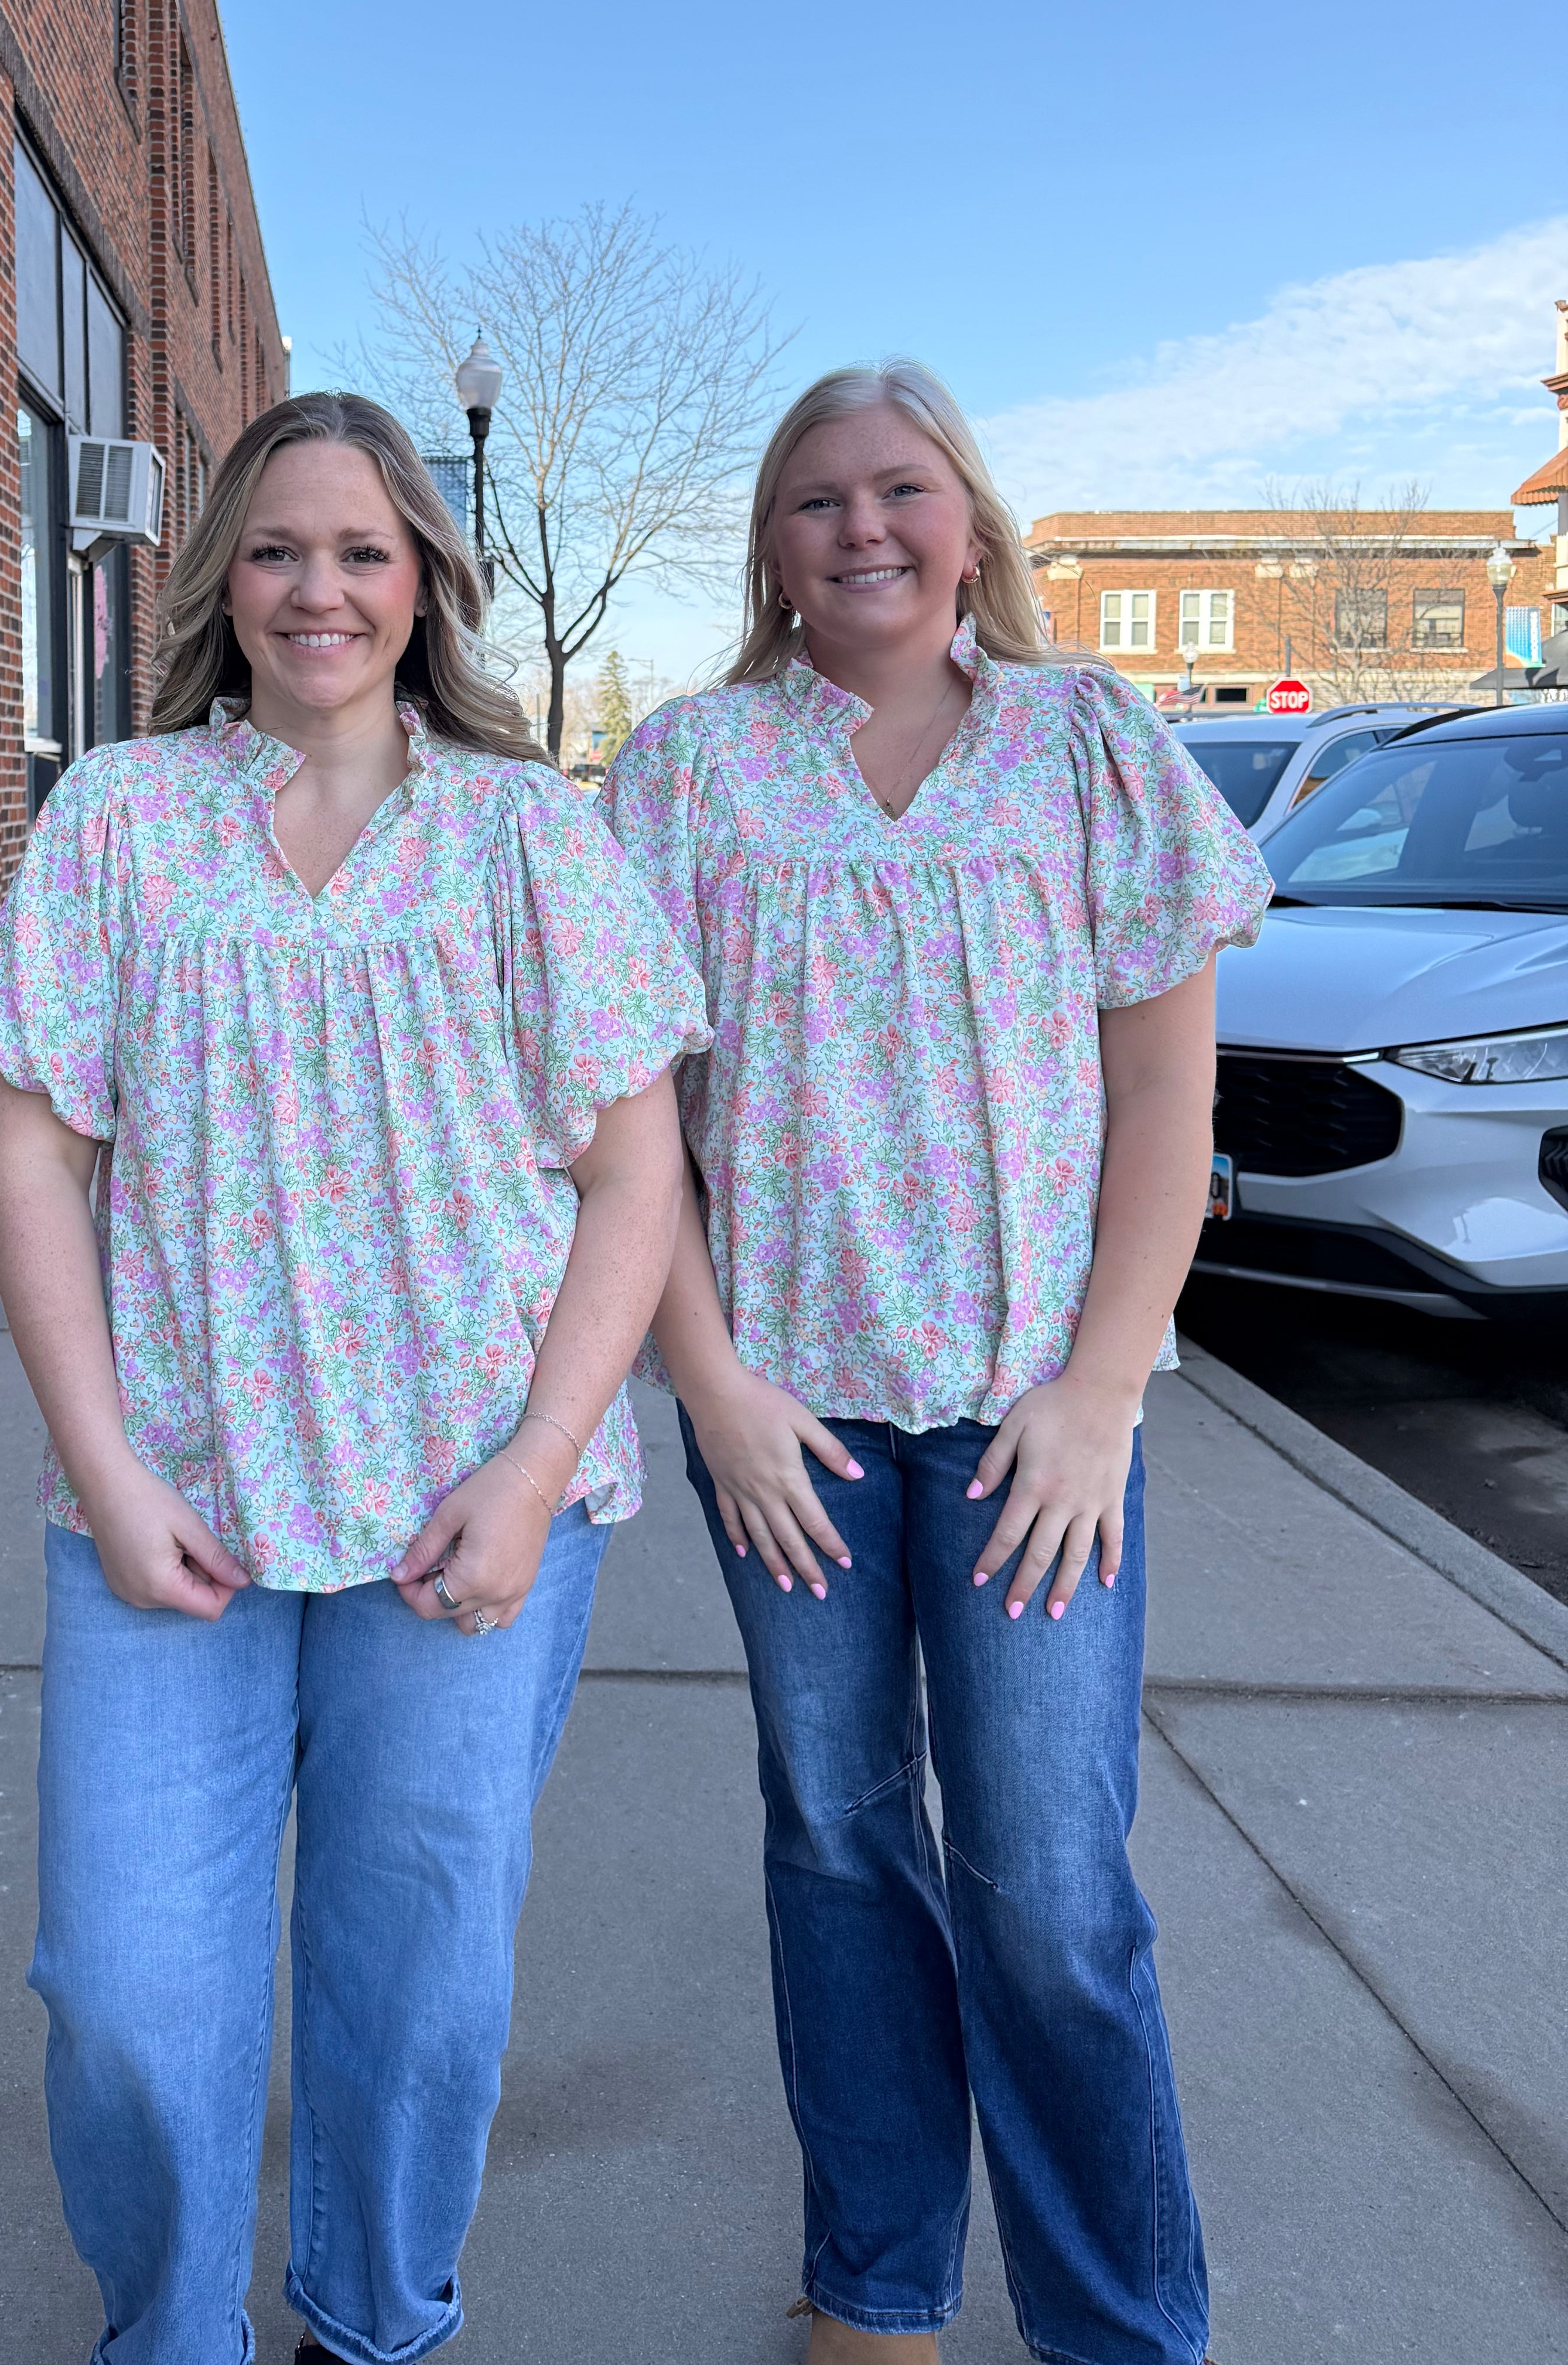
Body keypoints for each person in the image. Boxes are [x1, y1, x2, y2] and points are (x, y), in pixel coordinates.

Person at [0, 390, 708, 2365]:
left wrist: (543, 1467)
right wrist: (101, 1464)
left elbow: (638, 1171)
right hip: (171, 1503)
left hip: (464, 1510)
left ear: (423, 582)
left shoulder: (529, 830)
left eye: (364, 551)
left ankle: (376, 2325)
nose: (320, 589)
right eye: (281, 548)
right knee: (129, 1985)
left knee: (420, 1978)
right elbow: (32, 1138)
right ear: (224, 573)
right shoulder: (116, 817)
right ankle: (172, 2334)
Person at [602, 360, 1266, 2365]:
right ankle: (880, 2279)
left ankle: (1118, 2322)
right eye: (817, 501)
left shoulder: (1091, 748)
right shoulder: (691, 771)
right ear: (770, 547)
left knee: (1053, 1885)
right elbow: (628, 1125)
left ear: (971, 517)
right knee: (835, 1842)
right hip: (789, 1422)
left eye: (901, 490)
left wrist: (1101, 1389)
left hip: (1031, 1426)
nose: (862, 530)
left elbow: (1165, 1103)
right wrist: (706, 1386)